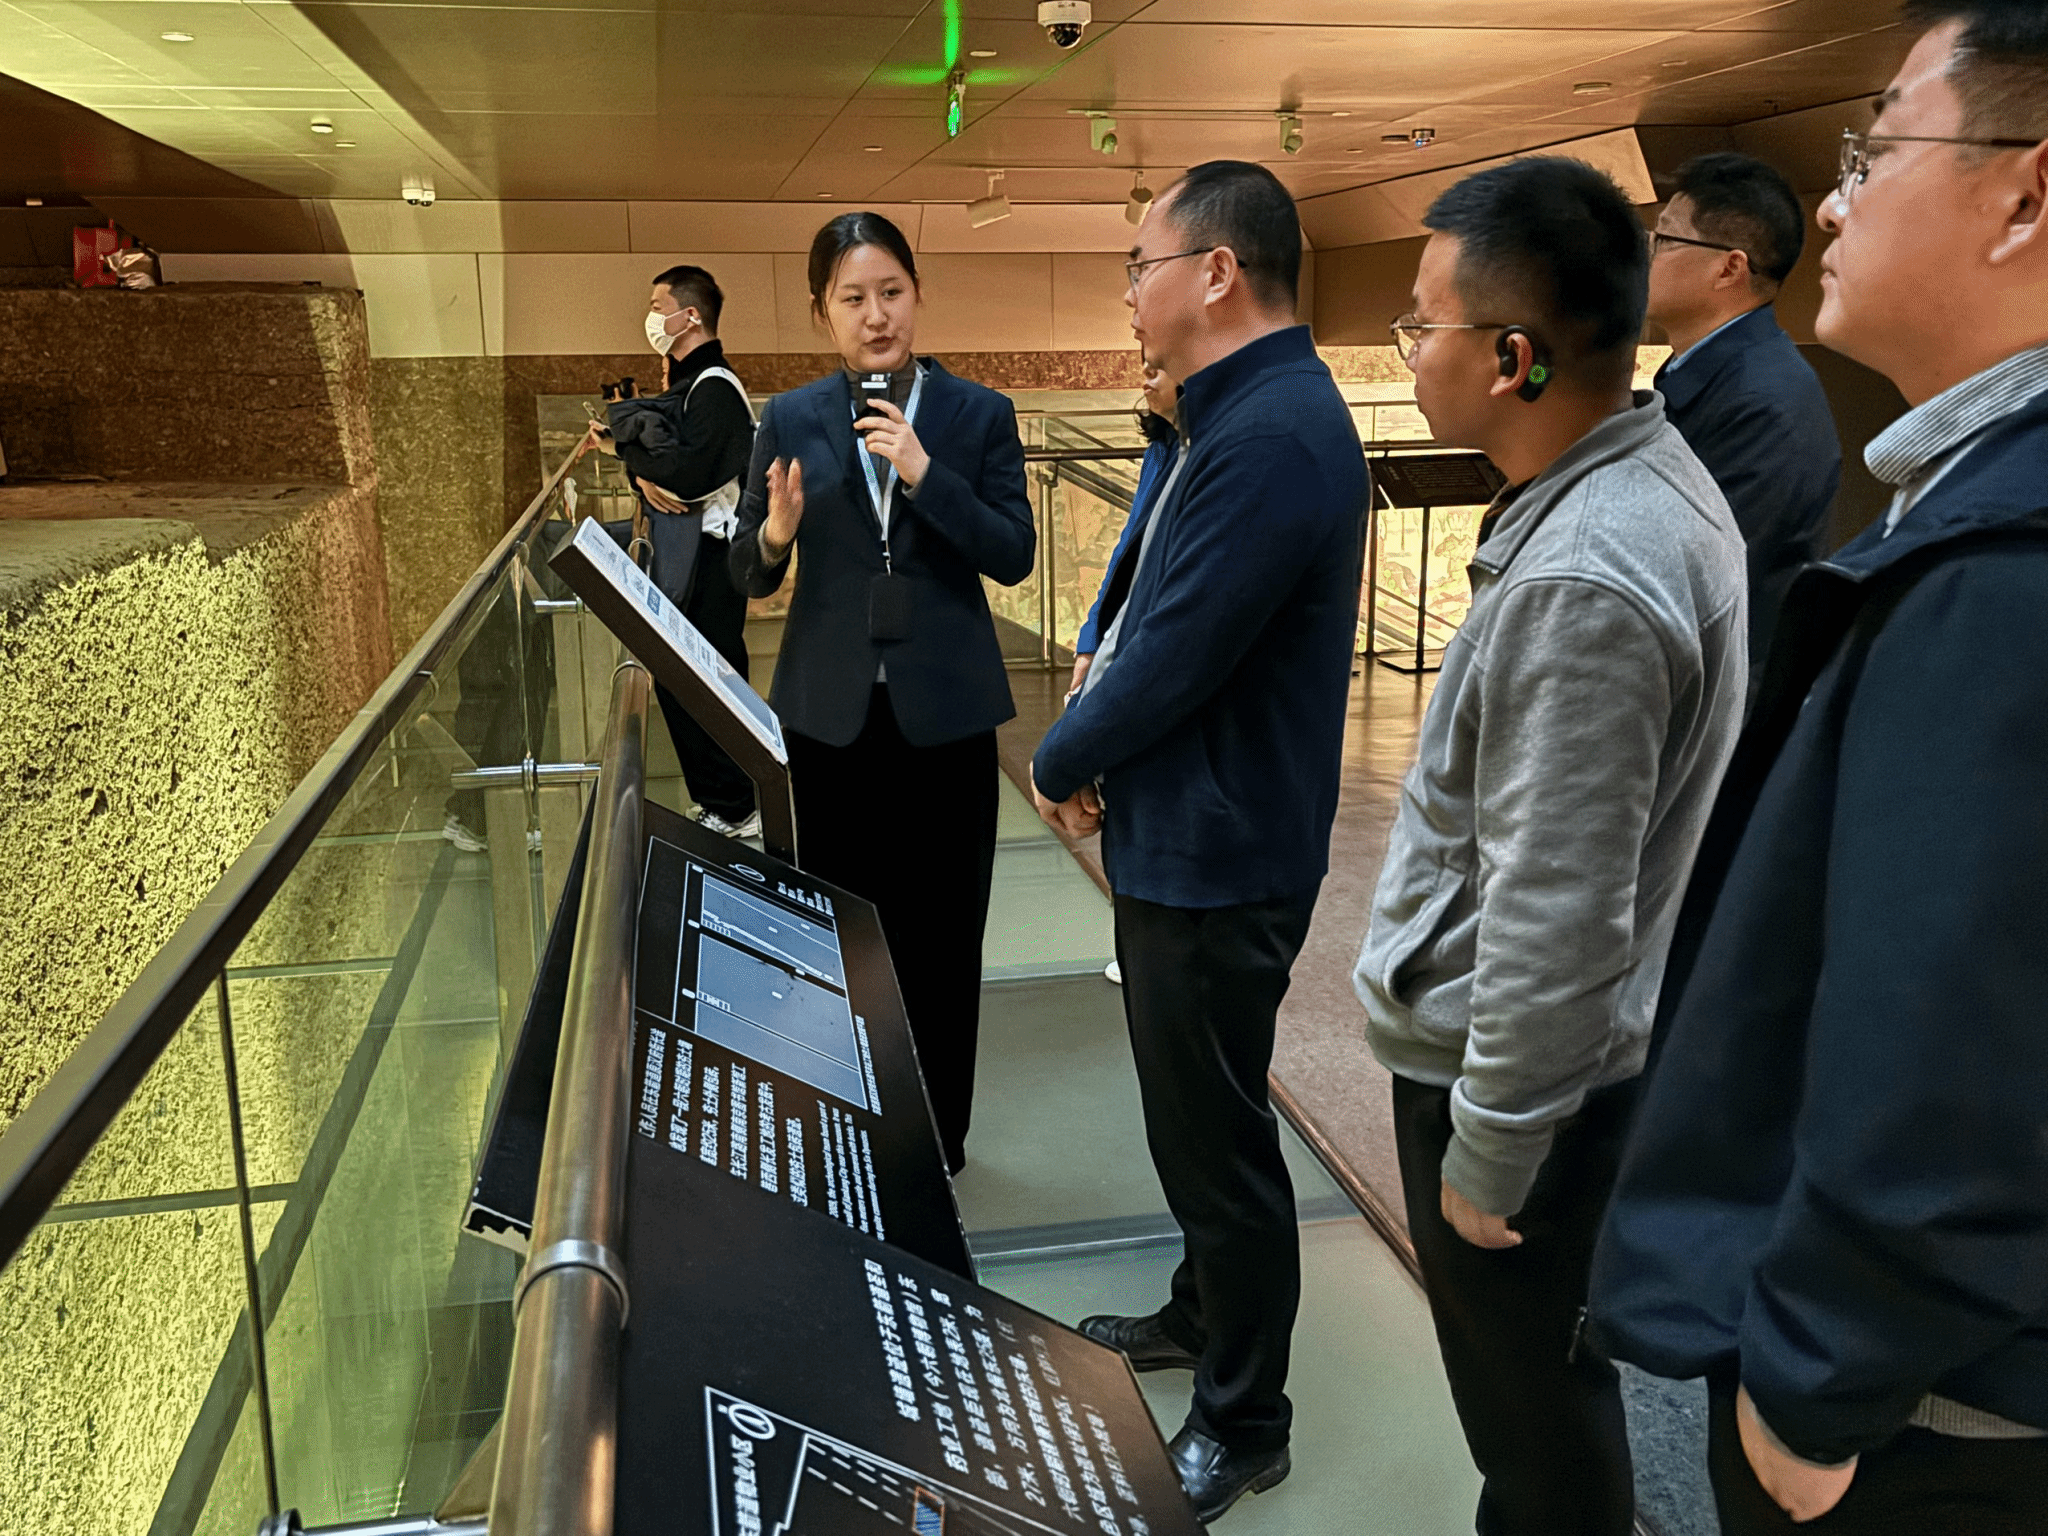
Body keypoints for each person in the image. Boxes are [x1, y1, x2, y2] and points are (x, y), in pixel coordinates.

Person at [1591, 4, 2048, 1530]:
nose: (1836, 205)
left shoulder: (2005, 563)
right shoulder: (1971, 501)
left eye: (1877, 150)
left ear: (2027, 194)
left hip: (1934, 1411)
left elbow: (1953, 1034)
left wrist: (1810, 1379)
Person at [1350, 156, 1748, 1535]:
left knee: (1533, 1424)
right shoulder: (1634, 485)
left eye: (1422, 324)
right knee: (1539, 1405)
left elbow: (1557, 910)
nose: (1408, 350)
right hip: (1556, 1071)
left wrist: (1493, 1146)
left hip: (1515, 1083)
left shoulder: (1588, 574)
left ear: (1511, 357)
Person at [1029, 160, 1367, 1522]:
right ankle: (1198, 1308)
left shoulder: (1274, 431)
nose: (1129, 291)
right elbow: (1146, 595)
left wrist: (1063, 754)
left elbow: (1178, 650)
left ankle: (1245, 1418)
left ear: (1215, 271)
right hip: (1192, 827)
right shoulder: (1221, 417)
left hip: (1224, 852)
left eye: (1140, 262)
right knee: (1188, 1118)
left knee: (1219, 1144)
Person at [730, 212, 1034, 1176]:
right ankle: (846, 1126)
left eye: (891, 293)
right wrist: (775, 535)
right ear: (822, 312)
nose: (876, 316)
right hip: (829, 723)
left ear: (917, 295)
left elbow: (1013, 553)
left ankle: (938, 1140)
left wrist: (925, 472)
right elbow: (744, 571)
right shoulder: (789, 418)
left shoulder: (978, 415)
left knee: (944, 936)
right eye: (853, 298)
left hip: (946, 721)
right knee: (833, 931)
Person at [1647, 153, 1843, 702]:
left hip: (1722, 704)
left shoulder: (1762, 398)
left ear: (1729, 268)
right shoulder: (1706, 371)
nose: (1648, 254)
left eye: (1664, 238)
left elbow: (1703, 580)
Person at [591, 265, 760, 837]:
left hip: (715, 556)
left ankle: (735, 805)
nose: (651, 317)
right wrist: (641, 471)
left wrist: (635, 463)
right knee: (691, 678)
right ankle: (728, 799)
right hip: (701, 554)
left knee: (704, 680)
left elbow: (687, 477)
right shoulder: (695, 383)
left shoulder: (716, 386)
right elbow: (668, 467)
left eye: (658, 306)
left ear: (690, 316)